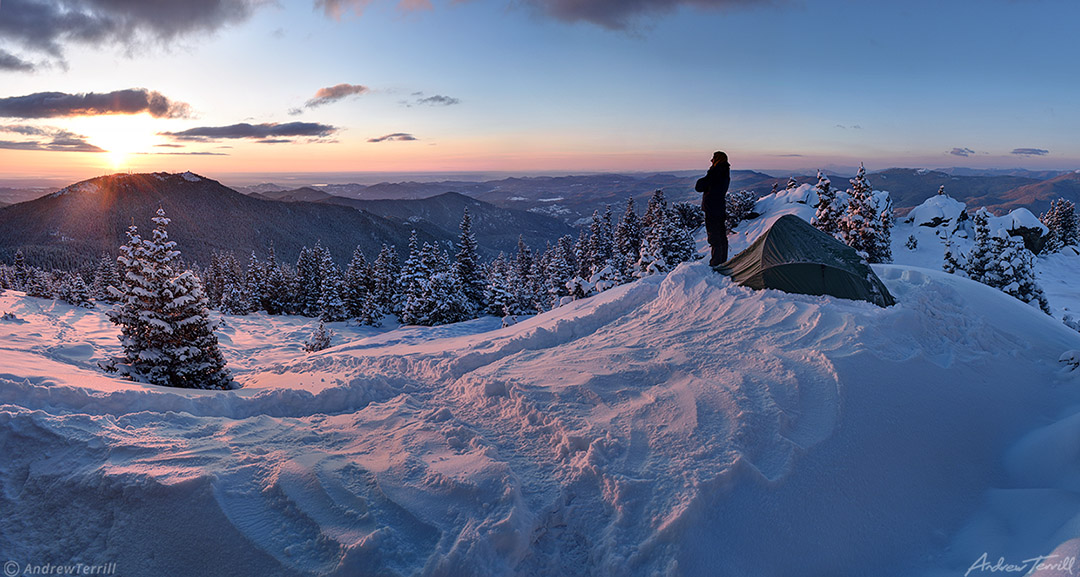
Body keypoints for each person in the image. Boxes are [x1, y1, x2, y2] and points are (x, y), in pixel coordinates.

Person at [696, 150, 730, 266]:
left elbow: (699, 186)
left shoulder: (716, 172)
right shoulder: (725, 172)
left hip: (712, 209)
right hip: (720, 208)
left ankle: (716, 263)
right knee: (721, 235)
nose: (711, 161)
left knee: (714, 236)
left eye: (713, 159)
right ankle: (722, 260)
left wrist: (710, 172)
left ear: (717, 160)